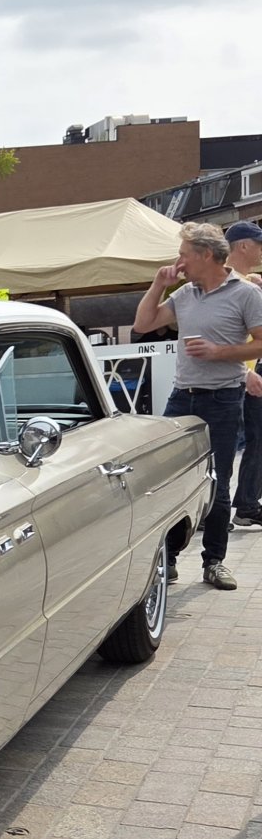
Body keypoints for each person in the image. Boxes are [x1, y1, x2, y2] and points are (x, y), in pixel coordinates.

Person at [133, 221, 262, 590]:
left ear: (206, 255)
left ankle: (214, 562)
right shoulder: (185, 293)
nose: (180, 261)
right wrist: (159, 283)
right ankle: (168, 560)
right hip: (182, 396)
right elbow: (144, 323)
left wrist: (221, 352)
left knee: (217, 481)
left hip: (223, 398)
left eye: (184, 255)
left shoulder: (246, 293)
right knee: (168, 480)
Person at [224, 221, 262, 526]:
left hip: (249, 373)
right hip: (232, 378)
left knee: (256, 438)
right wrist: (243, 372)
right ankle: (214, 508)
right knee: (225, 446)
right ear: (243, 246)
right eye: (258, 243)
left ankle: (247, 504)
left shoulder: (248, 284)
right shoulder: (224, 281)